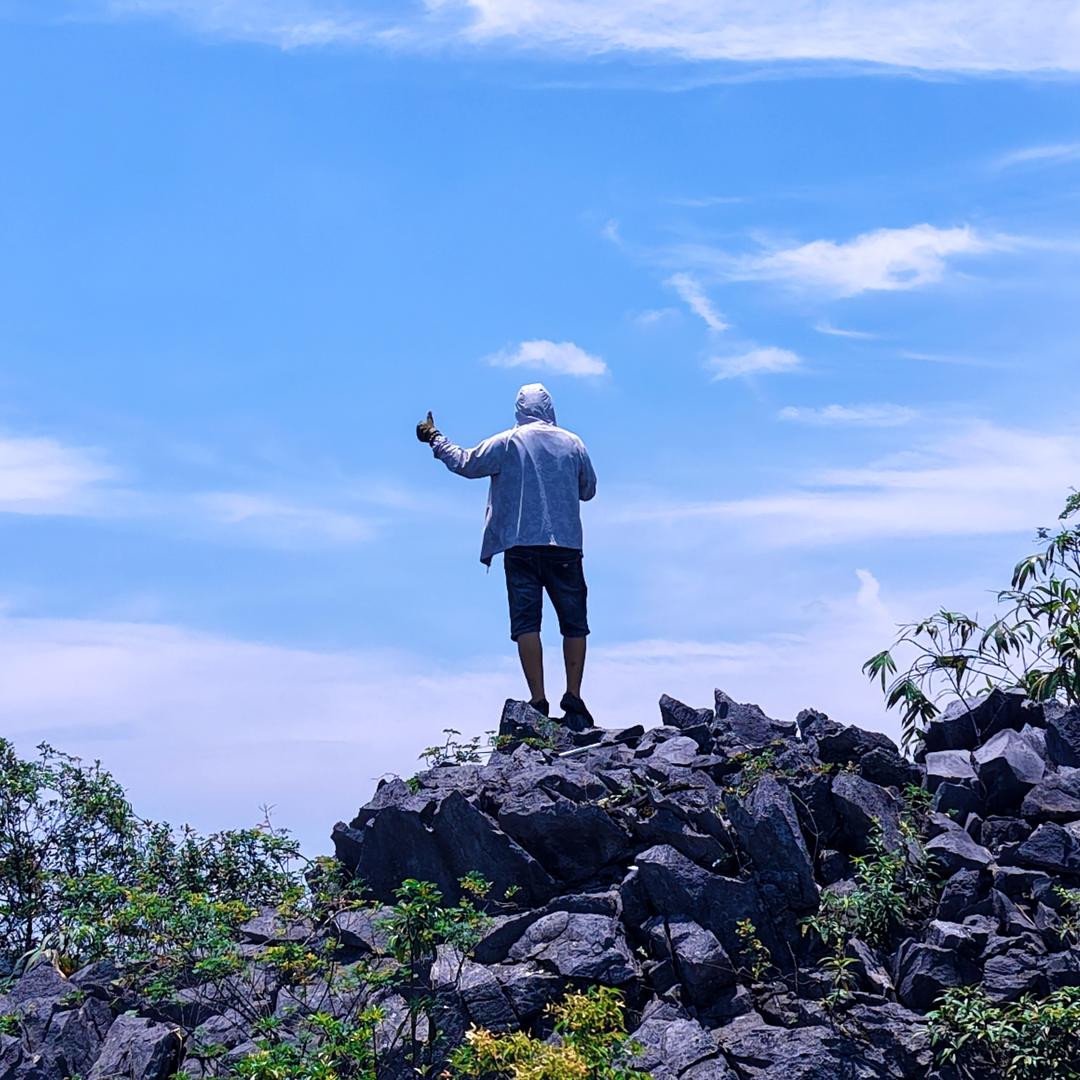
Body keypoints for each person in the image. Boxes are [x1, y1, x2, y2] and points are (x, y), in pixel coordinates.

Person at [416, 384, 597, 724]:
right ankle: (573, 696)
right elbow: (588, 490)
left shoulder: (509, 442)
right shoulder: (573, 443)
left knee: (527, 623)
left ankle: (538, 700)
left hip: (520, 544)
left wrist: (434, 438)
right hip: (566, 547)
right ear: (550, 408)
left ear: (519, 409)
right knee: (574, 623)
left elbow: (466, 463)